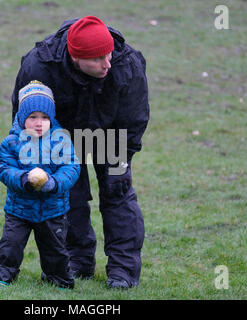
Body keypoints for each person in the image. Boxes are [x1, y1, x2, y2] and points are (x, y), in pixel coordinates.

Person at [11, 16, 150, 289]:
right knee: (66, 193)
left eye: (108, 54)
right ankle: (77, 261)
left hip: (113, 135)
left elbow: (135, 116)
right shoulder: (39, 66)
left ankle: (122, 271)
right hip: (62, 138)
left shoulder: (126, 64)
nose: (107, 63)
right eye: (98, 59)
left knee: (117, 192)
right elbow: (24, 113)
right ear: (76, 58)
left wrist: (123, 156)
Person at [0, 81, 80, 289]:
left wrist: (54, 183)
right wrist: (24, 179)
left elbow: (71, 167)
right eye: (33, 117)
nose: (39, 122)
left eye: (45, 117)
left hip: (53, 209)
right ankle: (3, 275)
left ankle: (58, 279)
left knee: (55, 249)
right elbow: (4, 169)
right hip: (19, 208)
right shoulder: (11, 142)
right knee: (10, 244)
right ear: (22, 118)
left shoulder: (61, 141)